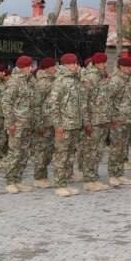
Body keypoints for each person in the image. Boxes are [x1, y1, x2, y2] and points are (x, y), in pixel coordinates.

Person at [49, 53, 84, 197]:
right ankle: (59, 185)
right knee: (61, 156)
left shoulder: (75, 80)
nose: (75, 66)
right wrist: (58, 125)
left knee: (69, 155)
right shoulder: (60, 81)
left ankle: (65, 181)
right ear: (65, 65)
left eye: (76, 63)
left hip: (74, 123)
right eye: (72, 63)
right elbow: (53, 104)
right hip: (64, 124)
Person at [2, 55, 38, 194]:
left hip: (27, 123)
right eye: (29, 66)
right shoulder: (14, 81)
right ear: (23, 67)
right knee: (14, 153)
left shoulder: (29, 81)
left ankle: (18, 179)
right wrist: (10, 123)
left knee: (24, 153)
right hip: (16, 124)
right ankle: (10, 181)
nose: (31, 68)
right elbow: (6, 102)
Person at [79, 53, 111, 191]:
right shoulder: (91, 77)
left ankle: (93, 177)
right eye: (103, 63)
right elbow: (84, 101)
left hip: (101, 119)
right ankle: (88, 180)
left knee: (98, 151)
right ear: (97, 63)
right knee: (91, 151)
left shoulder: (101, 75)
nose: (105, 65)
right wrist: (86, 122)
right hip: (93, 120)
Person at [105, 55, 131, 186]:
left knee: (123, 149)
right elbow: (107, 100)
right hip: (117, 120)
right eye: (128, 67)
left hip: (127, 119)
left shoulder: (128, 79)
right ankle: (113, 175)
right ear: (121, 67)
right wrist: (112, 118)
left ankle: (120, 173)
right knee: (116, 149)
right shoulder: (116, 80)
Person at [32, 57, 57, 187]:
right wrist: (39, 124)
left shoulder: (52, 80)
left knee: (48, 151)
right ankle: (39, 177)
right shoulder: (42, 83)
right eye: (53, 66)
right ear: (47, 68)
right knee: (42, 150)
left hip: (51, 121)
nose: (56, 68)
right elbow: (36, 105)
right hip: (44, 122)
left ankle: (43, 176)